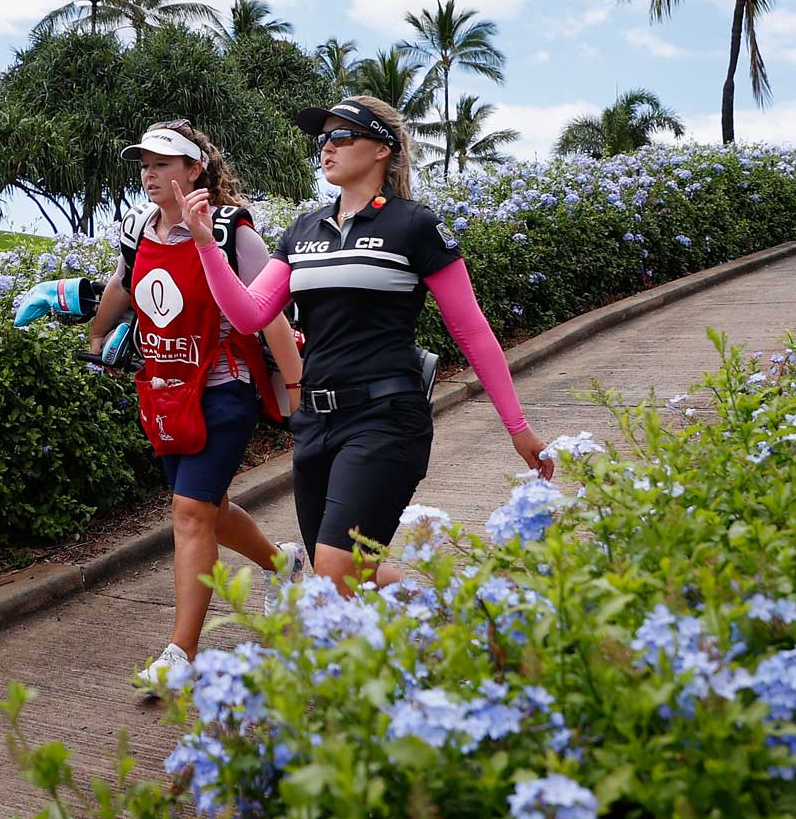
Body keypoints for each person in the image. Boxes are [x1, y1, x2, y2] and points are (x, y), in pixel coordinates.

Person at [188, 95, 551, 596]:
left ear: (382, 149)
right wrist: (207, 245)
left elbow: (472, 331)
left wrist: (518, 427)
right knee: (342, 570)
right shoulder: (302, 231)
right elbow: (249, 314)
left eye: (341, 136)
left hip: (385, 417)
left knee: (337, 570)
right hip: (315, 422)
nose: (326, 148)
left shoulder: (414, 226)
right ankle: (439, 621)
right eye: (322, 139)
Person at [27, 119, 308, 694]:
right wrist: (96, 341)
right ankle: (285, 566)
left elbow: (272, 313)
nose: (149, 174)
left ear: (194, 170)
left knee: (187, 510)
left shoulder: (233, 233)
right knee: (208, 509)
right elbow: (125, 285)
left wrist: (298, 392)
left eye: (162, 164)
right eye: (144, 165)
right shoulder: (137, 227)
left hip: (225, 389)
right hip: (163, 391)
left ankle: (181, 652)